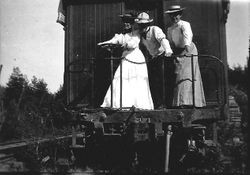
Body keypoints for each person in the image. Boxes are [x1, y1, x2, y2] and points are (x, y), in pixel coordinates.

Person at [98, 13, 154, 110]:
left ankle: (138, 104)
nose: (126, 24)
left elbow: (132, 44)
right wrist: (106, 43)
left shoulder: (136, 33)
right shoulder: (122, 35)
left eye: (128, 22)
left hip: (136, 58)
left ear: (132, 23)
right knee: (120, 77)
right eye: (124, 22)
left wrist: (122, 44)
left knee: (136, 80)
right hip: (126, 57)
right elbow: (115, 40)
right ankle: (119, 104)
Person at [165, 5, 206, 107]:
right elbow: (171, 43)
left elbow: (188, 35)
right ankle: (181, 102)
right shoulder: (170, 29)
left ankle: (189, 102)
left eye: (176, 15)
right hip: (179, 52)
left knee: (187, 75)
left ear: (180, 15)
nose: (174, 17)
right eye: (172, 15)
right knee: (179, 75)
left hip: (189, 50)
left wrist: (187, 45)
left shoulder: (184, 24)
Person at [135, 12, 173, 109]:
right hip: (153, 58)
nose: (142, 26)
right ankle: (156, 103)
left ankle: (164, 104)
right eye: (140, 25)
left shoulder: (155, 29)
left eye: (144, 24)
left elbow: (163, 40)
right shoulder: (140, 33)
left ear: (148, 24)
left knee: (162, 80)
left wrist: (168, 50)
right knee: (153, 80)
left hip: (163, 56)